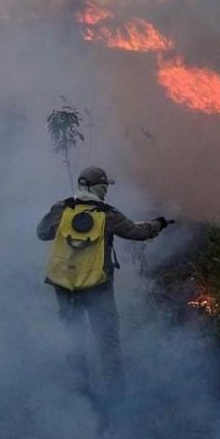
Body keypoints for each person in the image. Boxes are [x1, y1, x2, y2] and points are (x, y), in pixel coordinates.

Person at [36, 166, 169, 409]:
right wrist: (158, 224)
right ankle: (116, 400)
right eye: (105, 186)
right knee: (108, 342)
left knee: (73, 338)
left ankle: (79, 395)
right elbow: (138, 232)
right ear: (101, 187)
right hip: (98, 288)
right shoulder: (108, 214)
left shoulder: (61, 208)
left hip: (64, 285)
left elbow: (41, 233)